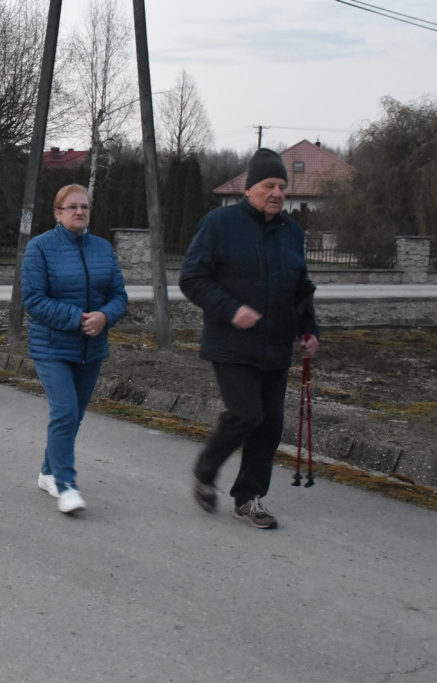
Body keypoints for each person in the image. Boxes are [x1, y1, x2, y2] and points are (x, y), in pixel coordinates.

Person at [179, 148, 320, 530]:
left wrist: (310, 332)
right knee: (246, 414)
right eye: (268, 185)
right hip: (231, 343)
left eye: (281, 186)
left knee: (270, 425)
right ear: (248, 188)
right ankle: (206, 472)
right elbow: (192, 279)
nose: (276, 193)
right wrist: (231, 309)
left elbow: (301, 289)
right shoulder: (219, 224)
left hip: (276, 346)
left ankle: (249, 498)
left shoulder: (292, 233)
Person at [20, 184, 127, 514]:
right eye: (72, 207)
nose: (80, 212)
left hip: (91, 349)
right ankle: (66, 486)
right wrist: (77, 319)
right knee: (64, 412)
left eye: (85, 207)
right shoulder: (40, 248)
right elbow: (33, 300)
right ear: (57, 212)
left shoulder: (102, 248)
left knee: (74, 416)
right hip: (52, 347)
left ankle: (48, 472)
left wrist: (104, 317)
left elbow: (119, 296)